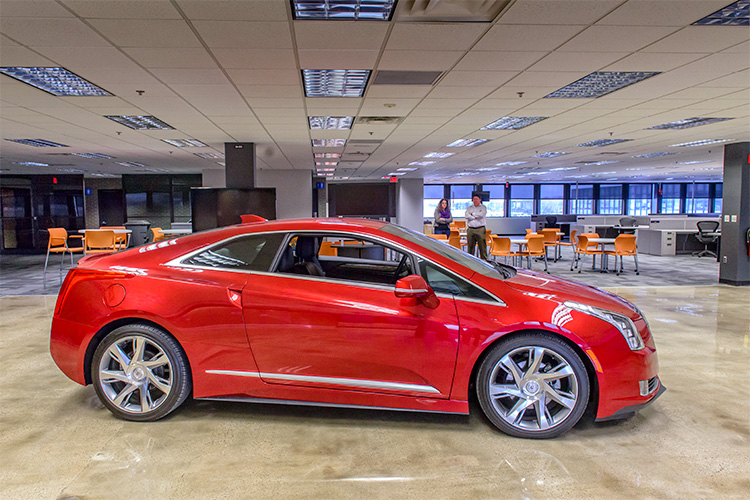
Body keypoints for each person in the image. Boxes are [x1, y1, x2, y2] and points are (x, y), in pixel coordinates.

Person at [465, 194, 488, 260]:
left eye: (476, 199)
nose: (475, 200)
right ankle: (470, 260)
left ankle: (484, 260)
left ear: (480, 200)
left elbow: (481, 215)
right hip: (471, 229)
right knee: (470, 246)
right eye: (474, 199)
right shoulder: (469, 208)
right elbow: (466, 216)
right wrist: (475, 216)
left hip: (480, 229)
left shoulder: (483, 207)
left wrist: (472, 214)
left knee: (482, 246)